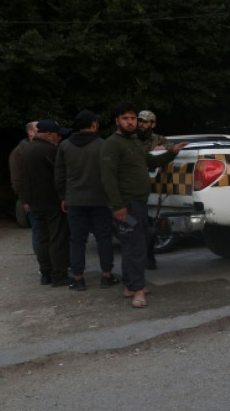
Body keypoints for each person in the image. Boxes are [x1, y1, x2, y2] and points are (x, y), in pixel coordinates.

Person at [100, 102, 187, 308]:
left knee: (133, 243)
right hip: (126, 205)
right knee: (135, 245)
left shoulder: (135, 142)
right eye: (125, 118)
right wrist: (118, 206)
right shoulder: (112, 144)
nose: (131, 122)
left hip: (138, 203)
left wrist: (172, 152)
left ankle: (130, 286)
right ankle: (138, 291)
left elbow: (150, 162)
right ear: (117, 121)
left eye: (133, 119)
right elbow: (108, 178)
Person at [55, 110, 120, 292]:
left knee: (77, 240)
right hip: (100, 199)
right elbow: (111, 173)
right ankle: (106, 276)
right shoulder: (103, 145)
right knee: (104, 238)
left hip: (74, 200)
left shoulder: (65, 146)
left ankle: (78, 278)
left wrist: (63, 196)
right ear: (93, 124)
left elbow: (59, 175)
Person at [20, 120, 72, 287]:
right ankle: (59, 274)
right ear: (49, 134)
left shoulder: (26, 150)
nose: (60, 137)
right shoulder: (49, 150)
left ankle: (46, 273)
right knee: (57, 238)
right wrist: (63, 197)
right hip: (52, 202)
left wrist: (26, 200)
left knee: (42, 238)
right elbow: (59, 176)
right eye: (58, 134)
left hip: (35, 202)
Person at [138, 109, 170, 270]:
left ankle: (149, 256)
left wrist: (163, 148)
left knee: (150, 226)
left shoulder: (159, 140)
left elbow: (171, 151)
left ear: (153, 124)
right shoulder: (131, 139)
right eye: (140, 121)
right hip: (136, 187)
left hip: (155, 188)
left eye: (145, 122)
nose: (141, 124)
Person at [8, 121, 39, 256]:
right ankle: (44, 267)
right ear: (30, 132)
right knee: (38, 231)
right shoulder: (18, 153)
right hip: (32, 199)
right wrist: (25, 200)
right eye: (38, 127)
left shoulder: (41, 148)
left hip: (45, 198)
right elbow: (17, 181)